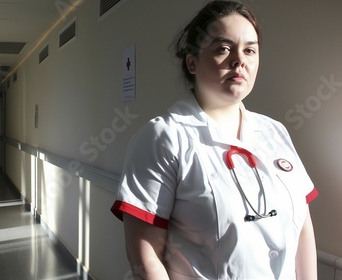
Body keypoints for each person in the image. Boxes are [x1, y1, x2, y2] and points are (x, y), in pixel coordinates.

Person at [110, 1, 319, 279]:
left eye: (250, 50)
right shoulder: (164, 137)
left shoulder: (275, 131)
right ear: (192, 62)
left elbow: (303, 226)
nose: (239, 60)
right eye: (223, 48)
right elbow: (146, 256)